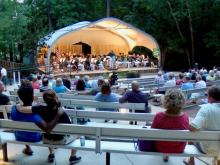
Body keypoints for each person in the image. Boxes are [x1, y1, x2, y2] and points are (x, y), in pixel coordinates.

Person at [16, 89, 81, 164]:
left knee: (48, 134)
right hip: (61, 140)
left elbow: (22, 109)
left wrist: (18, 105)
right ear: (55, 98)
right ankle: (73, 156)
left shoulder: (39, 109)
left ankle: (51, 153)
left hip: (46, 139)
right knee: (78, 134)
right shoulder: (61, 112)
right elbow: (70, 129)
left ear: (44, 100)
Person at [10, 80, 63, 159]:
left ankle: (28, 148)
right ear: (32, 97)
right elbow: (47, 129)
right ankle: (51, 152)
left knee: (23, 127)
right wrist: (58, 114)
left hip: (19, 136)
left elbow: (22, 113)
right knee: (47, 120)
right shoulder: (35, 115)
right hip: (36, 137)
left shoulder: (14, 109)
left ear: (19, 97)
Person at [184, 86, 220, 165]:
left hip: (206, 149)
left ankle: (191, 161)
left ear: (210, 97)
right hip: (219, 148)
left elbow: (193, 128)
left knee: (190, 136)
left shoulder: (205, 109)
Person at [151, 89, 189, 162]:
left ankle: (166, 155)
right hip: (179, 148)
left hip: (160, 147)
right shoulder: (185, 117)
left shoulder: (159, 116)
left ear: (165, 101)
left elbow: (152, 133)